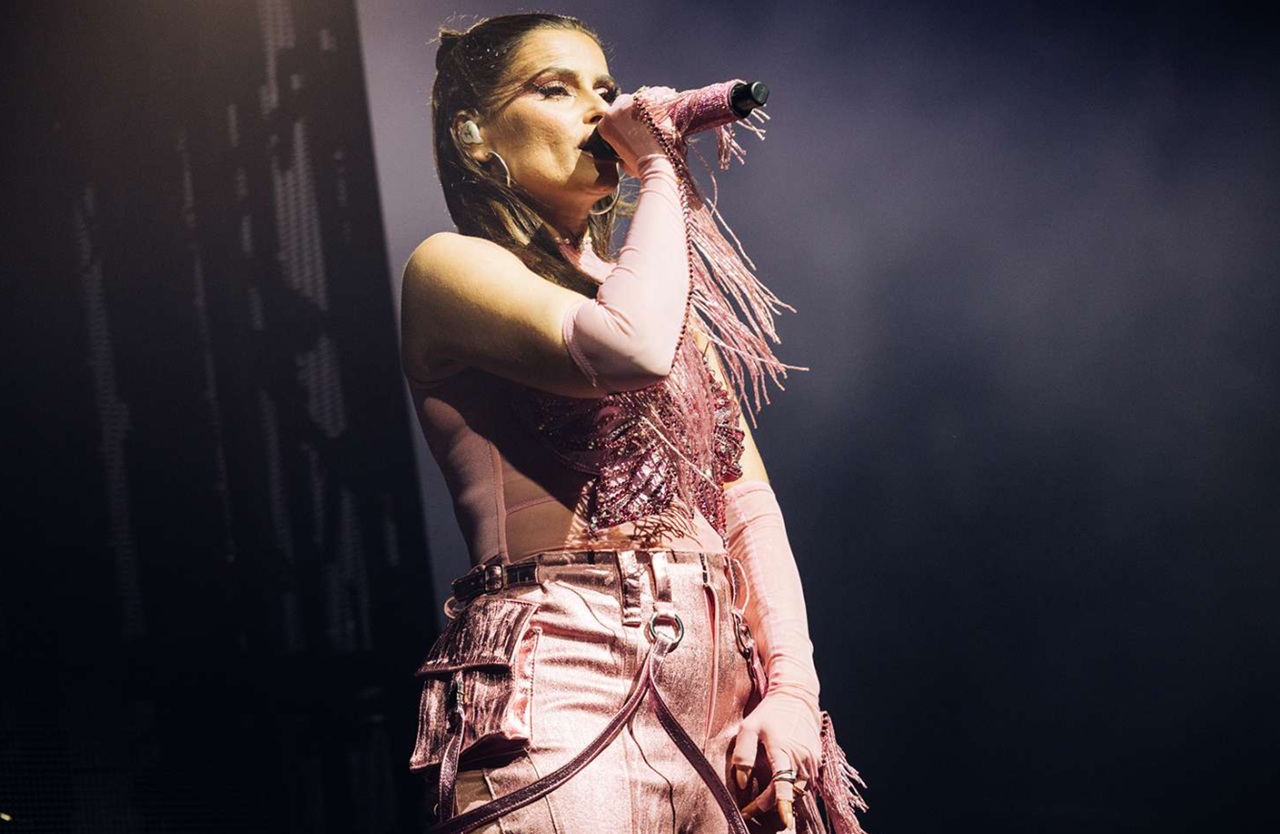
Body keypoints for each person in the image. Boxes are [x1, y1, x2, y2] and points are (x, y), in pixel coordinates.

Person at [400, 12, 866, 834]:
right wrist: (657, 163)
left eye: (607, 91)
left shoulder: (655, 296)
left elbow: (745, 504)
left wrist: (793, 691)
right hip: (561, 669)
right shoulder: (450, 268)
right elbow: (627, 349)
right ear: (475, 133)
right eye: (556, 88)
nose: (599, 110)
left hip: (725, 697)